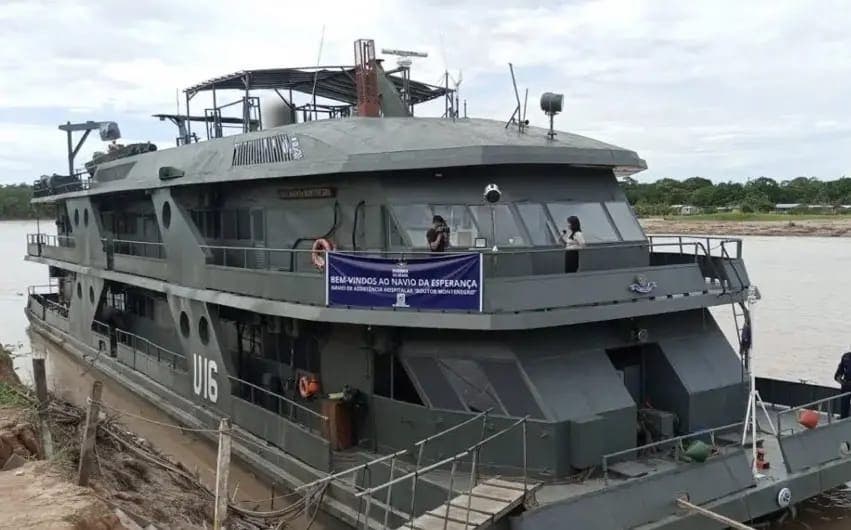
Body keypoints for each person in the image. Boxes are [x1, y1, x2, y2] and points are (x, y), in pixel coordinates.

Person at [835, 349, 851, 419]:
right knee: (844, 405)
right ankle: (843, 417)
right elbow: (839, 372)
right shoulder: (846, 357)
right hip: (846, 385)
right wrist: (841, 381)